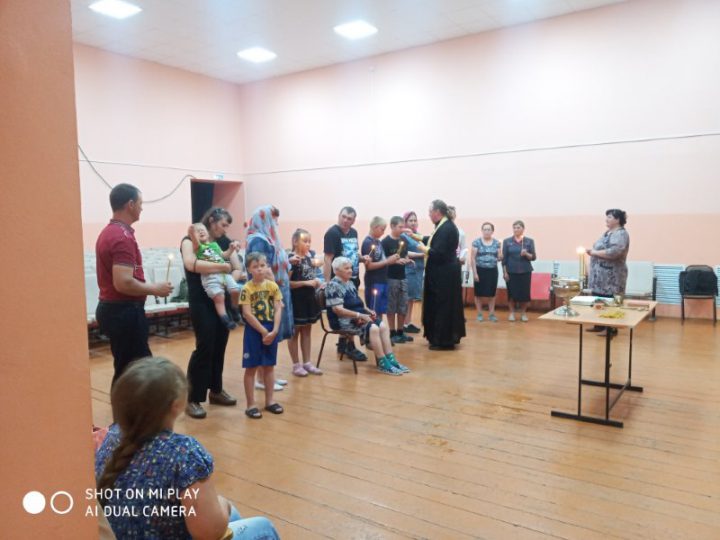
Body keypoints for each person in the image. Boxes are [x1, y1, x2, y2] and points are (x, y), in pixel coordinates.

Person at [95, 357, 279, 539]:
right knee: (262, 527)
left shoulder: (110, 437)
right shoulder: (183, 453)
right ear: (177, 405)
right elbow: (209, 532)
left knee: (234, 515)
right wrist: (224, 505)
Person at [95, 183, 173, 386]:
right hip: (123, 311)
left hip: (118, 310)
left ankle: (128, 406)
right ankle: (126, 407)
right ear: (130, 204)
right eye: (140, 203)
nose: (142, 208)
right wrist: (155, 288)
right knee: (133, 371)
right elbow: (123, 283)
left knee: (130, 368)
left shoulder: (113, 232)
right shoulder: (120, 237)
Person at [181, 207, 243, 419]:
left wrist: (229, 277)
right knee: (205, 346)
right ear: (212, 221)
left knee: (220, 345)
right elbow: (191, 264)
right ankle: (192, 398)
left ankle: (216, 390)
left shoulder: (224, 242)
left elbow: (236, 268)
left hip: (220, 297)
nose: (225, 230)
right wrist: (222, 268)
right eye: (223, 225)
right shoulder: (189, 240)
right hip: (201, 301)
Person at [325, 257, 410, 375]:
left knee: (383, 326)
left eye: (350, 268)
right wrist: (360, 315)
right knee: (373, 328)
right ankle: (382, 362)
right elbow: (337, 310)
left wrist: (368, 311)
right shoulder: (333, 286)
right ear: (337, 271)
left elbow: (359, 303)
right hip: (343, 321)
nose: (350, 270)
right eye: (346, 268)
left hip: (358, 316)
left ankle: (391, 359)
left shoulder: (350, 282)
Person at [246, 205, 294, 392]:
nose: (276, 223)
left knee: (271, 337)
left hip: (274, 290)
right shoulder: (258, 240)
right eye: (273, 219)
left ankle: (267, 375)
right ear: (264, 219)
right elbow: (262, 269)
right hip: (264, 295)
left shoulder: (267, 238)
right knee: (265, 335)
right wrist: (274, 291)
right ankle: (261, 378)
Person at [409, 200, 466, 350]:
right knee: (440, 304)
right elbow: (434, 240)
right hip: (443, 272)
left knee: (442, 305)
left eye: (430, 212)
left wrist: (422, 248)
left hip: (443, 274)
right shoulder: (443, 225)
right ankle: (438, 336)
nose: (428, 215)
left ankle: (443, 340)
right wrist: (417, 236)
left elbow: (438, 252)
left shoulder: (447, 228)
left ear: (437, 212)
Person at [240, 253, 285, 419]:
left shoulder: (273, 286)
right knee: (251, 367)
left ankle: (270, 401)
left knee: (269, 366)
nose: (259, 269)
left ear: (267, 267)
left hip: (271, 327)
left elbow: (278, 308)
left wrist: (275, 330)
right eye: (255, 266)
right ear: (249, 269)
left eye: (262, 265)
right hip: (254, 330)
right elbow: (247, 313)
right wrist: (263, 331)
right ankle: (251, 404)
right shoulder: (247, 288)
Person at [323, 206, 369, 362]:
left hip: (352, 279)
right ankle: (350, 346)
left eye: (349, 218)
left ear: (353, 221)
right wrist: (327, 282)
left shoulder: (353, 233)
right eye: (343, 216)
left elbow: (353, 254)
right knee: (346, 314)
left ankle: (342, 344)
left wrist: (362, 259)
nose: (345, 220)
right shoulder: (332, 233)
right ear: (339, 216)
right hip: (339, 280)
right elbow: (328, 258)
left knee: (353, 309)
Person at [188, 222, 241, 330]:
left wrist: (231, 249)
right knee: (219, 298)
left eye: (202, 230)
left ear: (208, 233)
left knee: (235, 290)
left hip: (224, 274)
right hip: (210, 277)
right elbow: (195, 241)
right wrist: (192, 233)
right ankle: (225, 319)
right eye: (198, 231)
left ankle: (235, 309)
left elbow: (224, 255)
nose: (201, 231)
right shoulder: (198, 247)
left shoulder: (215, 245)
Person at [586, 209, 630, 335]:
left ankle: (610, 328)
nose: (606, 219)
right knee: (598, 299)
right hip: (600, 276)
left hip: (612, 276)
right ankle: (599, 325)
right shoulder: (607, 233)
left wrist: (594, 252)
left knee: (610, 300)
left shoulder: (621, 234)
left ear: (618, 219)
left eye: (610, 217)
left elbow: (615, 252)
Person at [288, 229, 323, 376]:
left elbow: (312, 275)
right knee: (295, 333)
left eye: (309, 241)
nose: (308, 244)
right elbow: (287, 283)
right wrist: (306, 283)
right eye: (305, 241)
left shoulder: (310, 257)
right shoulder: (291, 259)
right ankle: (296, 365)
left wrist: (317, 282)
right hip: (297, 301)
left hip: (309, 300)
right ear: (295, 241)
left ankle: (307, 362)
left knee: (307, 331)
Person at [382, 216, 414, 344]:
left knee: (403, 306)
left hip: (403, 277)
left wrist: (407, 260)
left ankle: (401, 332)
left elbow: (404, 254)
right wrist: (394, 261)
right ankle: (392, 332)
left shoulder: (403, 240)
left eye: (403, 227)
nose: (402, 229)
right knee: (391, 306)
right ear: (392, 226)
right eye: (400, 227)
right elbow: (383, 260)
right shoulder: (385, 242)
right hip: (391, 278)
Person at [361, 217, 398, 323]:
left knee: (380, 310)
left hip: (382, 280)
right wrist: (387, 261)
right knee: (374, 311)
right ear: (375, 227)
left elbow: (382, 260)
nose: (383, 232)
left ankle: (380, 329)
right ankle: (373, 331)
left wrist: (394, 260)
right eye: (382, 229)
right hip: (374, 281)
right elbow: (369, 266)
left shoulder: (377, 242)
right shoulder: (367, 243)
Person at [502, 220, 536, 322]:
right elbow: (504, 259)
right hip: (511, 271)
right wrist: (505, 272)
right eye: (514, 228)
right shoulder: (507, 241)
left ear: (523, 229)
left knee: (524, 294)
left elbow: (533, 257)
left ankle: (523, 313)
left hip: (525, 271)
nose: (516, 229)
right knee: (511, 293)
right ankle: (512, 313)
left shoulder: (529, 241)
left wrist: (526, 254)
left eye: (518, 228)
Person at [471, 222, 502, 322]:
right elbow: (473, 259)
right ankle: (479, 314)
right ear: (482, 231)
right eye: (485, 229)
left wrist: (500, 256)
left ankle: (491, 314)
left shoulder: (497, 243)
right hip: (480, 270)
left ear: (492, 231)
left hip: (492, 271)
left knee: (491, 294)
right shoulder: (476, 242)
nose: (486, 231)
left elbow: (499, 258)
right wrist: (475, 273)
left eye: (489, 229)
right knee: (478, 294)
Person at [401, 211, 425, 334]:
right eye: (410, 220)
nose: (413, 222)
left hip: (418, 270)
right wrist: (421, 255)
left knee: (412, 299)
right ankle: (403, 324)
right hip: (409, 269)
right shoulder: (403, 236)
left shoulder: (418, 235)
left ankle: (408, 322)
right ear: (405, 222)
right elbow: (404, 252)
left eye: (415, 220)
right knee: (407, 298)